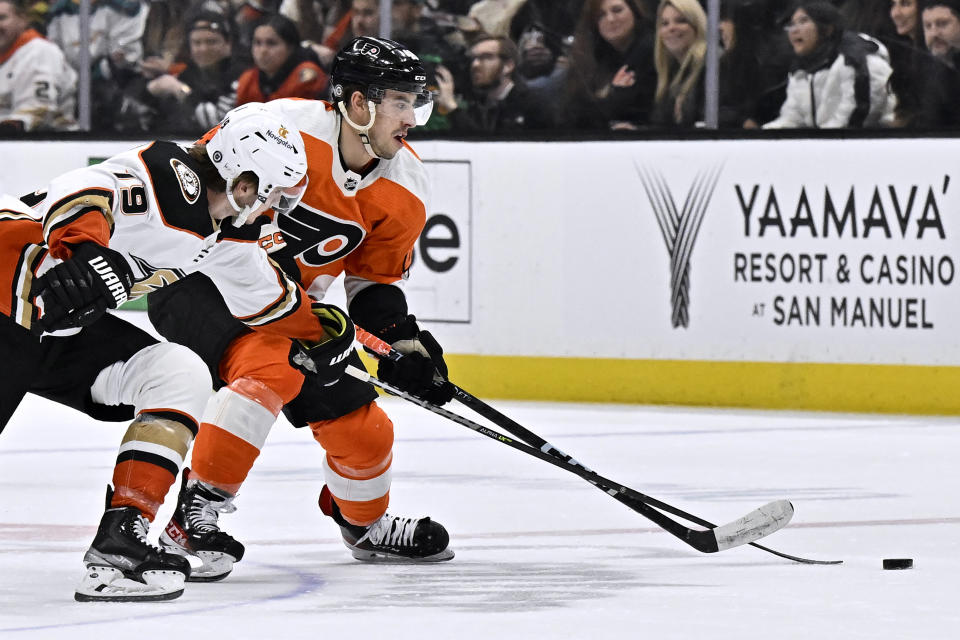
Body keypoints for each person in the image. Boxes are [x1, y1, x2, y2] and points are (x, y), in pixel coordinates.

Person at [0, 103, 356, 601]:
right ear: (245, 183)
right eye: (272, 194)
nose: (272, 209)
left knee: (176, 372)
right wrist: (82, 250)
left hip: (55, 327)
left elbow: (265, 297)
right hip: (8, 289)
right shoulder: (172, 178)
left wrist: (321, 332)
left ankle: (120, 541)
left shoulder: (226, 235)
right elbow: (86, 190)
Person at [147, 36, 455, 577]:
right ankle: (193, 516)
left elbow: (372, 282)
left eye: (415, 103)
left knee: (364, 428)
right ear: (359, 104)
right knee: (271, 365)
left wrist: (400, 342)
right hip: (202, 279)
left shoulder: (406, 186)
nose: (411, 118)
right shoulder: (276, 127)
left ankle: (365, 524)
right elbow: (196, 193)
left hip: (293, 311)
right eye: (400, 103)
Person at [764, 1, 896, 128]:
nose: (794, 30)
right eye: (791, 24)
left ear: (827, 29)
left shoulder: (854, 58)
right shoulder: (800, 70)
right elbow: (792, 117)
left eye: (803, 21)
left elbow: (855, 118)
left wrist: (819, 143)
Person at [122, 12, 244, 133]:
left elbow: (216, 122)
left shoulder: (241, 77)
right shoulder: (188, 74)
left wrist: (178, 89)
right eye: (197, 43)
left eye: (211, 42)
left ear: (228, 45)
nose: (203, 49)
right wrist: (150, 90)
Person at [565, 0, 656, 130]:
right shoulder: (591, 59)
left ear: (634, 11)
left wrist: (613, 95)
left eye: (617, 10)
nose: (611, 19)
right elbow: (576, 115)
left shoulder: (651, 52)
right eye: (601, 15)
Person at [435, 34, 554, 131]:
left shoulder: (533, 103)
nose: (475, 65)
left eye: (486, 57)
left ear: (508, 66)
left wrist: (452, 108)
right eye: (473, 59)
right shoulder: (476, 105)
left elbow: (486, 146)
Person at [0, 0, 77, 132]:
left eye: (2, 18)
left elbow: (37, 114)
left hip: (47, 144)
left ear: (22, 19)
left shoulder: (39, 52)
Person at [236, 14, 328, 105]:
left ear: (291, 47)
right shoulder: (247, 80)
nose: (263, 51)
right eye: (257, 43)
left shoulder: (306, 78)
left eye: (271, 43)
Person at [649, 0, 706, 127]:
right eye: (664, 23)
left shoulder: (711, 67)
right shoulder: (669, 71)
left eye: (681, 21)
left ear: (697, 25)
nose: (671, 28)